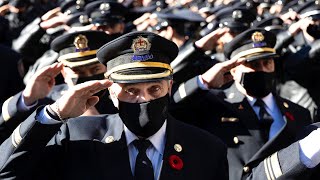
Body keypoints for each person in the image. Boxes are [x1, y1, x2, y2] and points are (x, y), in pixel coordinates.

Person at [0, 31, 228, 180]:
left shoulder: (207, 149)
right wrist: (53, 114)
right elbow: (6, 172)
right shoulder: (77, 136)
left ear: (170, 87)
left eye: (154, 89)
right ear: (111, 91)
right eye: (131, 91)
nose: (144, 99)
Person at [171, 28, 313, 179]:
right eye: (254, 65)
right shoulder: (214, 104)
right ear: (233, 70)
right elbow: (170, 108)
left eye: (267, 62)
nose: (263, 70)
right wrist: (203, 81)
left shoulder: (299, 113)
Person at [0, 30, 118, 144]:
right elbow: (8, 133)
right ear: (64, 73)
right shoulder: (48, 98)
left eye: (95, 69)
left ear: (107, 69)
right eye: (78, 72)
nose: (88, 76)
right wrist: (27, 98)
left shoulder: (121, 97)